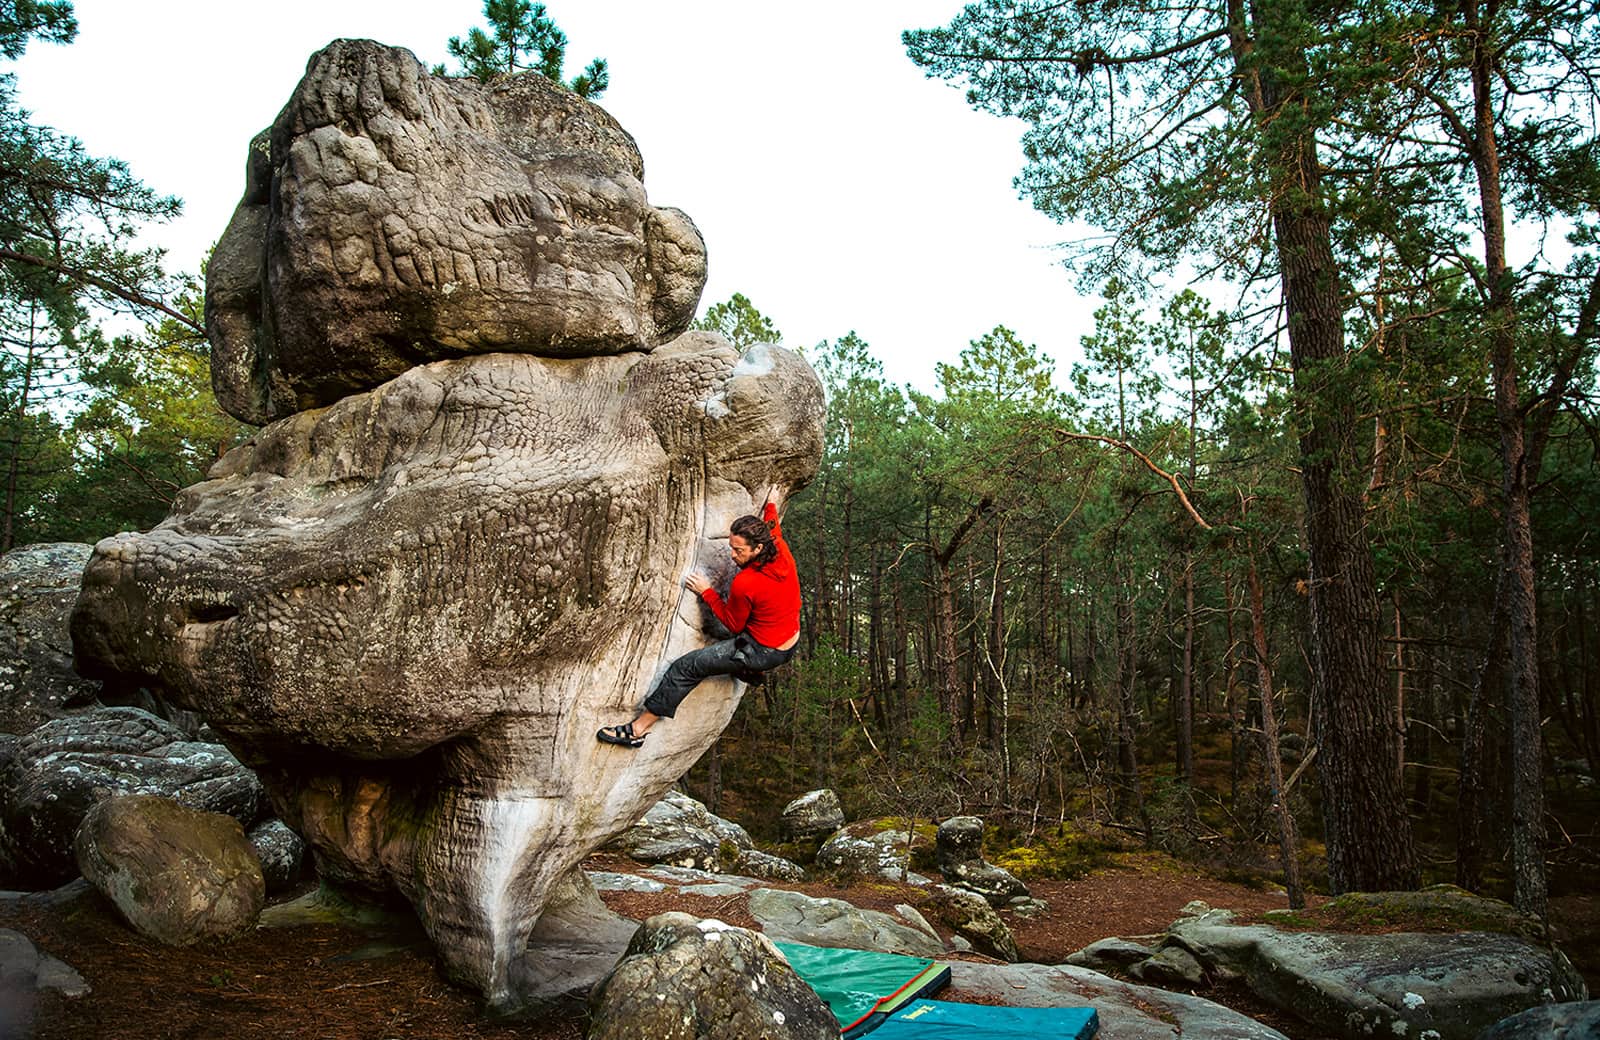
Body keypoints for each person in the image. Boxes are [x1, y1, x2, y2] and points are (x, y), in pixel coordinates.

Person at [597, 491, 800, 749]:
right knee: (755, 620)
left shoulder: (746, 583)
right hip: (790, 641)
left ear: (758, 548)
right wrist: (772, 501)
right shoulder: (779, 548)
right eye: (731, 547)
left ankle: (638, 729)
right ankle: (750, 670)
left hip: (761, 650)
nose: (733, 555)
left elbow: (734, 625)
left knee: (686, 667)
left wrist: (707, 592)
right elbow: (772, 523)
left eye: (738, 551)